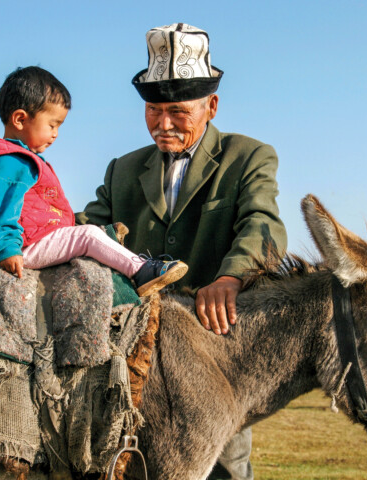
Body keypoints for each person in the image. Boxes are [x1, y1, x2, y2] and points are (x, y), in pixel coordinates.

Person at [76, 24, 288, 480]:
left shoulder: (249, 157)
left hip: (212, 357)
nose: (163, 123)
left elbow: (263, 224)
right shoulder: (123, 169)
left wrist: (230, 277)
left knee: (223, 467)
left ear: (211, 106)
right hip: (129, 357)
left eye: (177, 111)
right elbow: (89, 229)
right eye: (153, 110)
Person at [0, 66, 187, 297]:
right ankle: (141, 270)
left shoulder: (19, 159)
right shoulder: (10, 162)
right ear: (19, 119)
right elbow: (1, 207)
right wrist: (7, 248)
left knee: (91, 234)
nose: (56, 133)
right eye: (52, 125)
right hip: (26, 246)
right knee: (87, 236)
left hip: (32, 239)